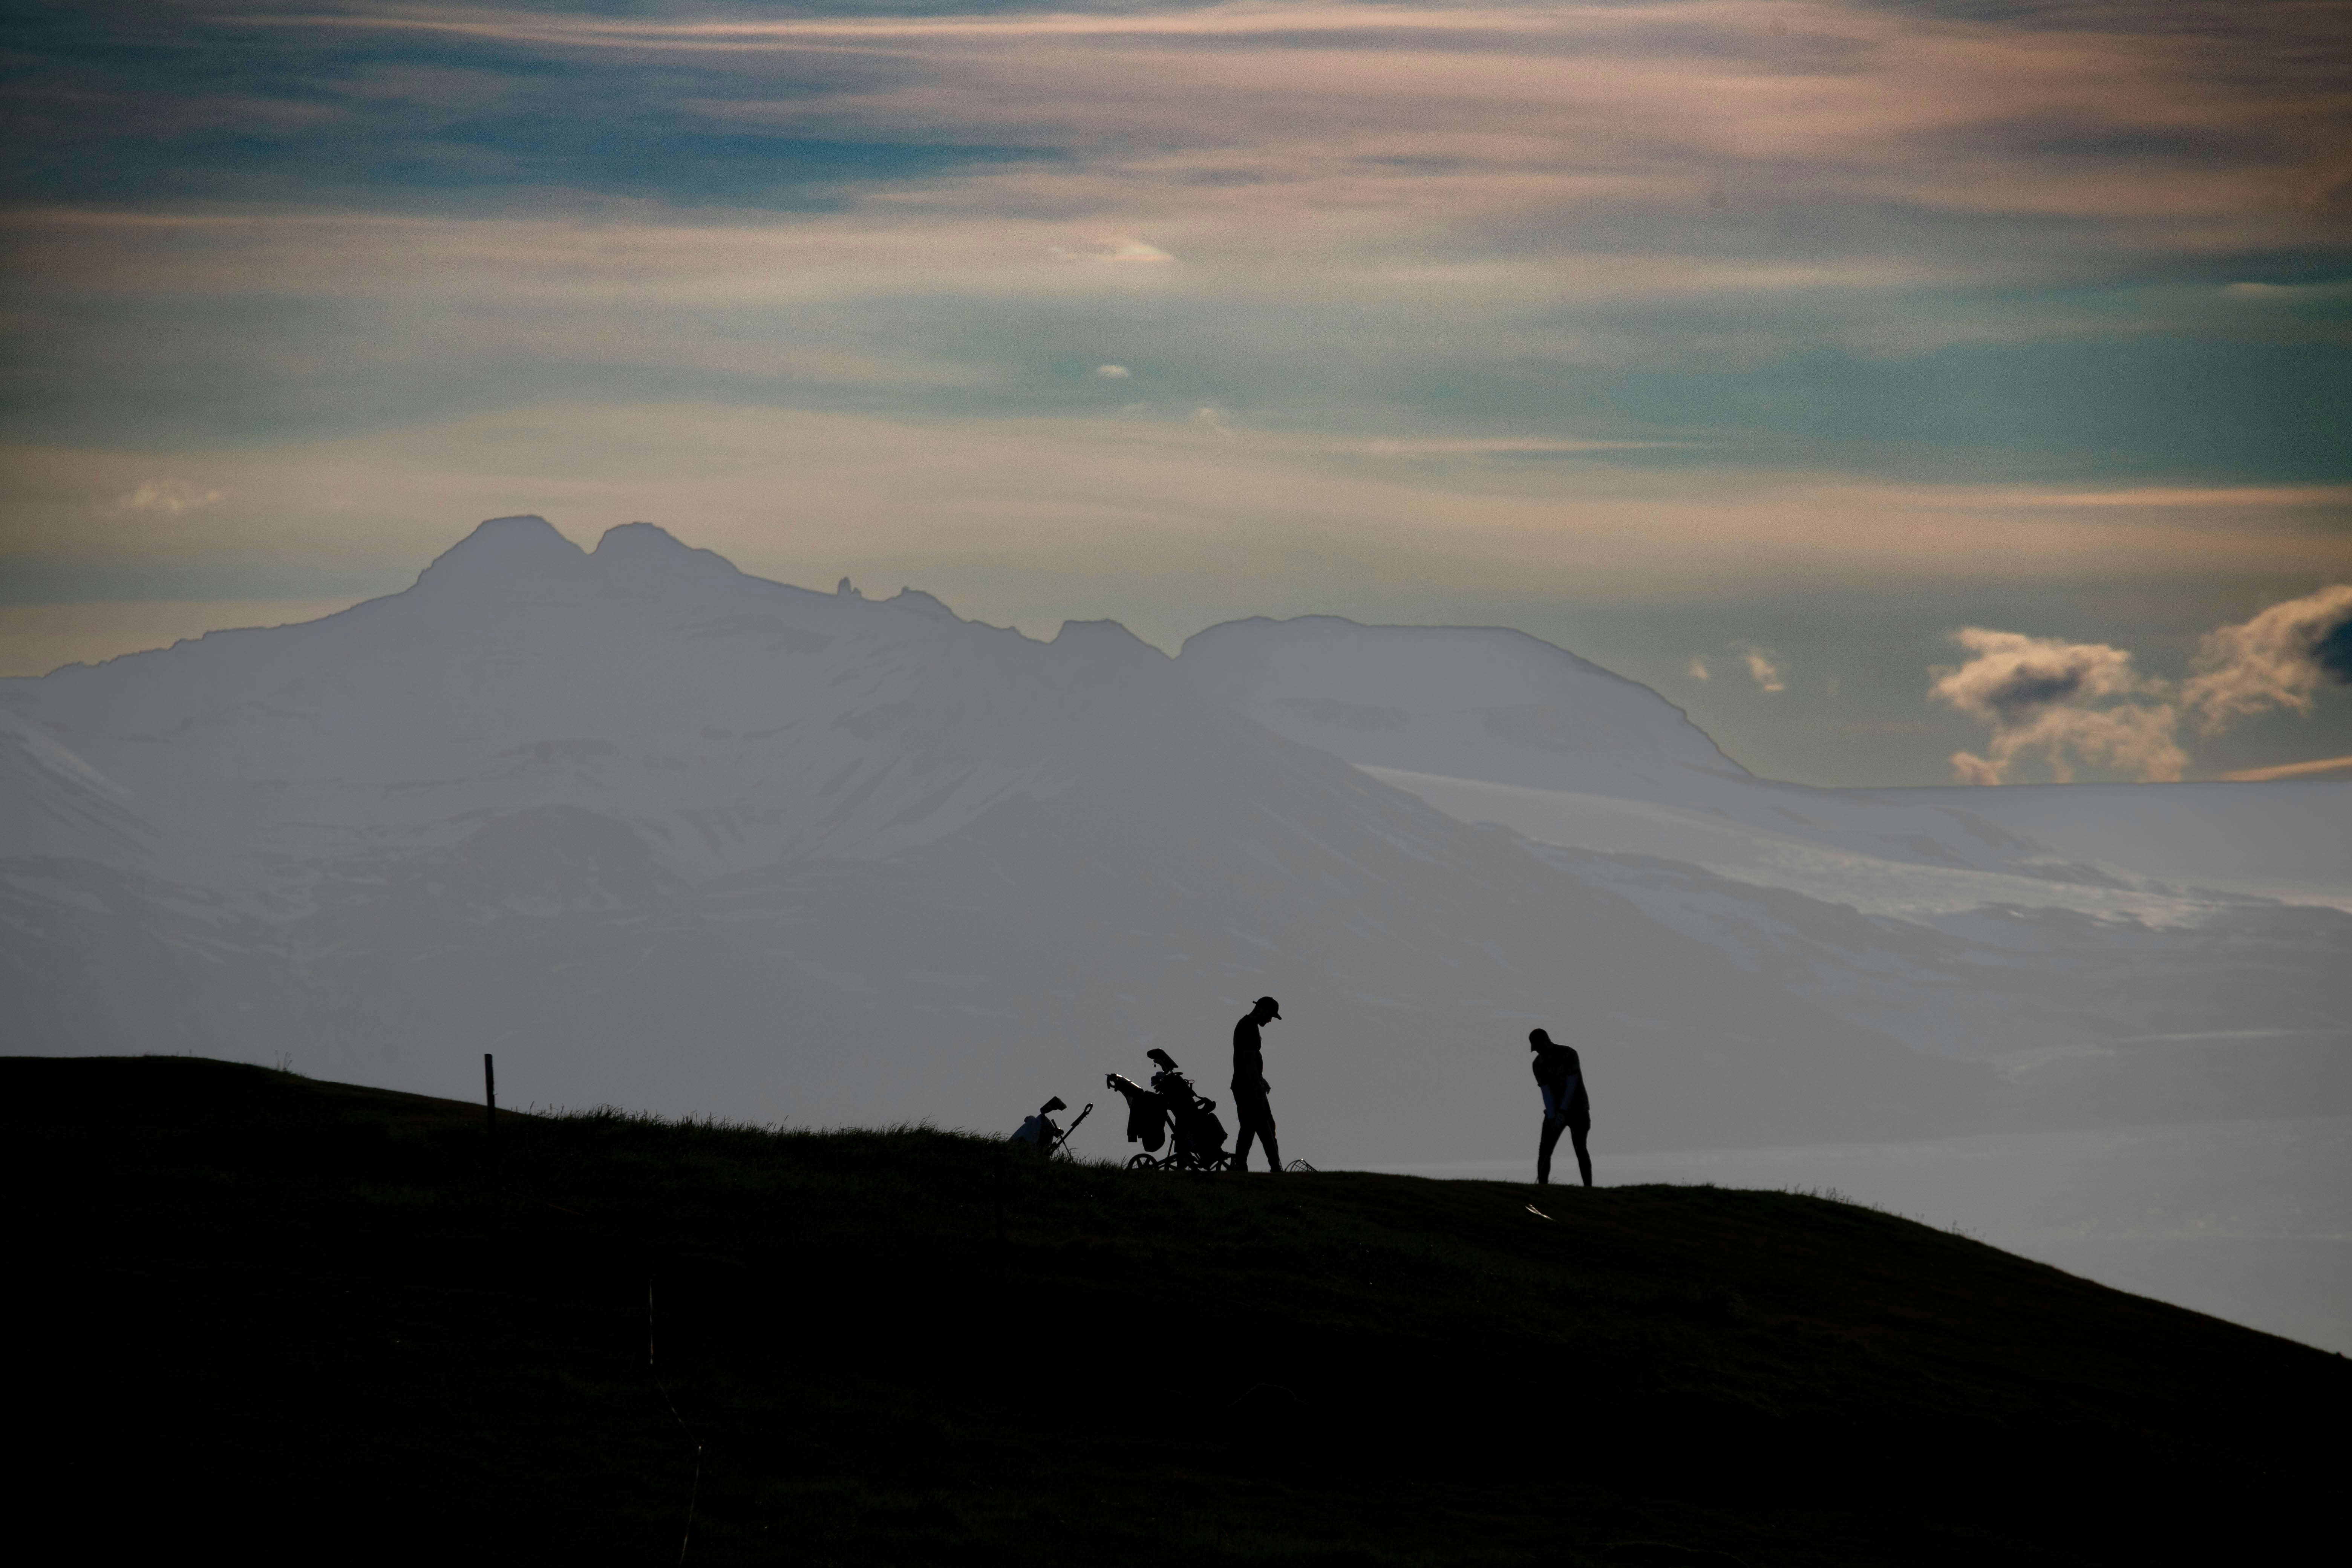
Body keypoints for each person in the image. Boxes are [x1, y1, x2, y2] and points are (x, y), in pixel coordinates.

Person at [1528, 1028, 1591, 1187]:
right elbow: (1546, 1092)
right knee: (1544, 1152)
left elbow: (1572, 1085)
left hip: (1579, 1110)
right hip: (1555, 1113)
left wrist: (1563, 1112)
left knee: (1580, 1149)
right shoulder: (1538, 1064)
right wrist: (1551, 1116)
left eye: (1540, 1047)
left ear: (1547, 1041)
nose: (1539, 1052)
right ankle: (1543, 1188)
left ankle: (1589, 1189)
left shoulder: (1568, 1054)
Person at [1231, 996, 1283, 1172]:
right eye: (1270, 1016)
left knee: (1252, 1127)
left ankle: (1241, 1167)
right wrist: (1257, 1086)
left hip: (1247, 1085)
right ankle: (1275, 1168)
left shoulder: (1248, 1026)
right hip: (1248, 1088)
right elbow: (1248, 1061)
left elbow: (1250, 1062)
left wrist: (1261, 1081)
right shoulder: (1248, 1028)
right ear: (1261, 1010)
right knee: (1264, 1128)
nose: (1269, 1020)